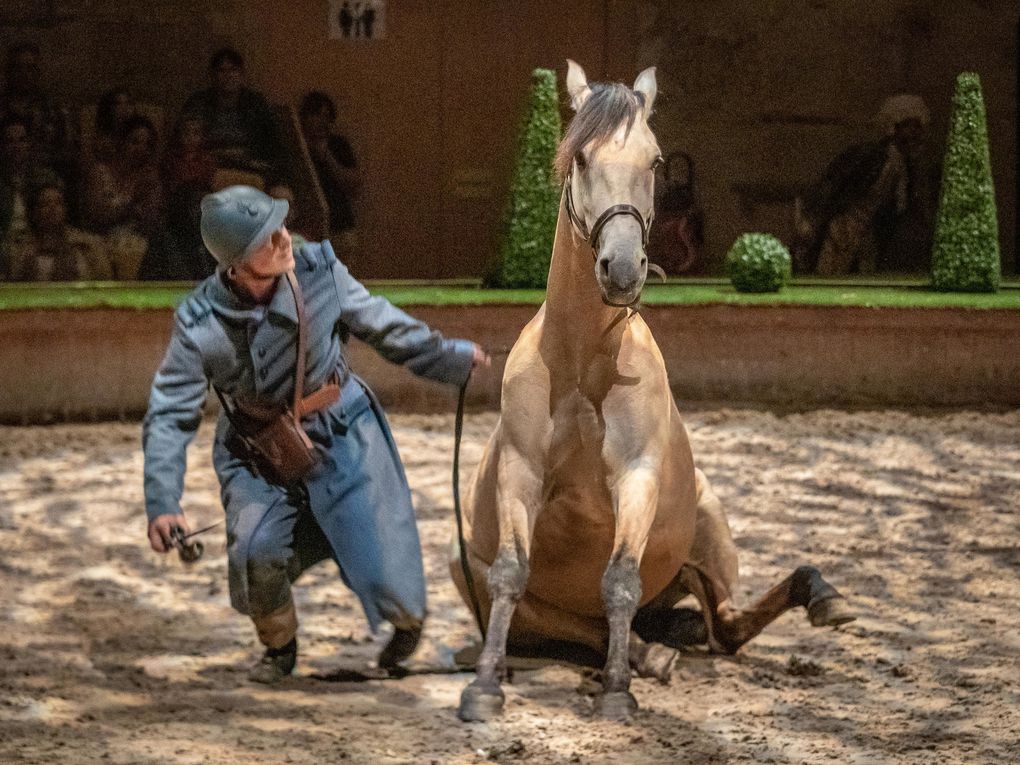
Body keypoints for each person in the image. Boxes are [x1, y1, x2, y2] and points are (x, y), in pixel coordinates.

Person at [142, 185, 490, 683]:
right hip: (256, 449)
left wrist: (449, 356)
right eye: (267, 237)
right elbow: (170, 411)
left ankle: (403, 623)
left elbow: (382, 324)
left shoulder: (319, 270)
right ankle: (279, 649)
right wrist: (162, 500)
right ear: (234, 266)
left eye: (280, 224)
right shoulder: (200, 324)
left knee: (395, 586)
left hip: (342, 429)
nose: (284, 238)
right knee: (254, 555)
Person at [792, 94, 936, 276]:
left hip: (870, 234)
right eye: (910, 126)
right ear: (894, 127)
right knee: (830, 273)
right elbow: (835, 186)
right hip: (844, 229)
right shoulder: (871, 157)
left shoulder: (906, 166)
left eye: (918, 127)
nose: (915, 134)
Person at [81, 114, 164, 278]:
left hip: (137, 243)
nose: (141, 148)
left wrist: (150, 196)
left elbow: (150, 226)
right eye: (135, 142)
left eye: (146, 144)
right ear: (122, 142)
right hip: (101, 241)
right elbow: (95, 218)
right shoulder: (100, 173)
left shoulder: (149, 179)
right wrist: (131, 205)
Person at [182, 48, 282, 176]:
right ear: (213, 75)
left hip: (248, 166)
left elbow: (271, 143)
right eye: (222, 71)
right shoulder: (198, 103)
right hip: (207, 168)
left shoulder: (256, 104)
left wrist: (247, 155)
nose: (228, 76)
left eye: (233, 70)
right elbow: (184, 140)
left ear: (241, 74)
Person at [2, 181, 110, 281]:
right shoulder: (19, 248)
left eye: (58, 203)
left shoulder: (85, 246)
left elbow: (103, 280)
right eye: (45, 203)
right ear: (34, 212)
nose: (52, 208)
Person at [299, 91, 361, 250]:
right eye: (317, 115)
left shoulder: (338, 145)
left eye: (326, 116)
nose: (322, 122)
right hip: (307, 228)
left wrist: (327, 157)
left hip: (339, 225)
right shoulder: (297, 146)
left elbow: (353, 184)